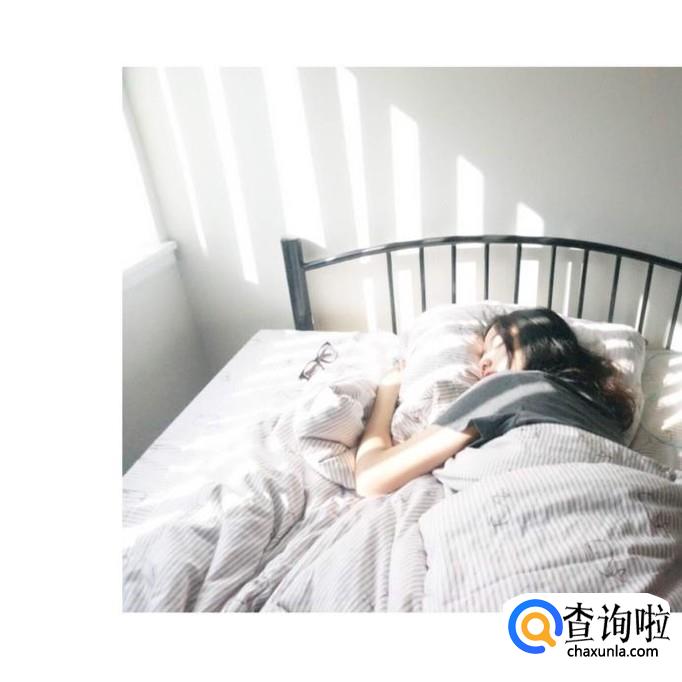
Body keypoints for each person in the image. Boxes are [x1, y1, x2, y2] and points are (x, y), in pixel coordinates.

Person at [355, 307, 636, 498]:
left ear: (538, 343)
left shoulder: (511, 388)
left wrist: (387, 393)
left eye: (497, 345)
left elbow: (371, 478)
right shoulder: (608, 419)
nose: (483, 362)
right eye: (482, 355)